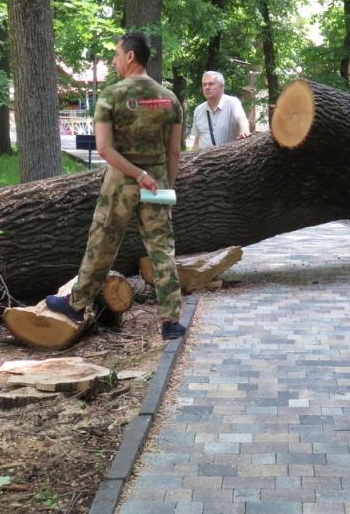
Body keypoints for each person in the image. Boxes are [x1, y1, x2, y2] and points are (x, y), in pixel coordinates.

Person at [45, 31, 186, 340]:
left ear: (130, 56)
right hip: (156, 187)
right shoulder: (169, 98)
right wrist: (165, 186)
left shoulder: (111, 95)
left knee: (101, 245)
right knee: (162, 250)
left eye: (117, 55)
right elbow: (174, 152)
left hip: (119, 187)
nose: (114, 60)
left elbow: (106, 150)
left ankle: (77, 304)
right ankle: (171, 321)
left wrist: (135, 174)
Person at [191, 71, 250, 150]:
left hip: (228, 159)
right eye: (204, 85)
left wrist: (244, 131)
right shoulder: (198, 110)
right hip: (204, 160)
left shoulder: (232, 102)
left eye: (211, 84)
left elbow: (241, 118)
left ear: (222, 87)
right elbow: (197, 141)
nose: (207, 87)